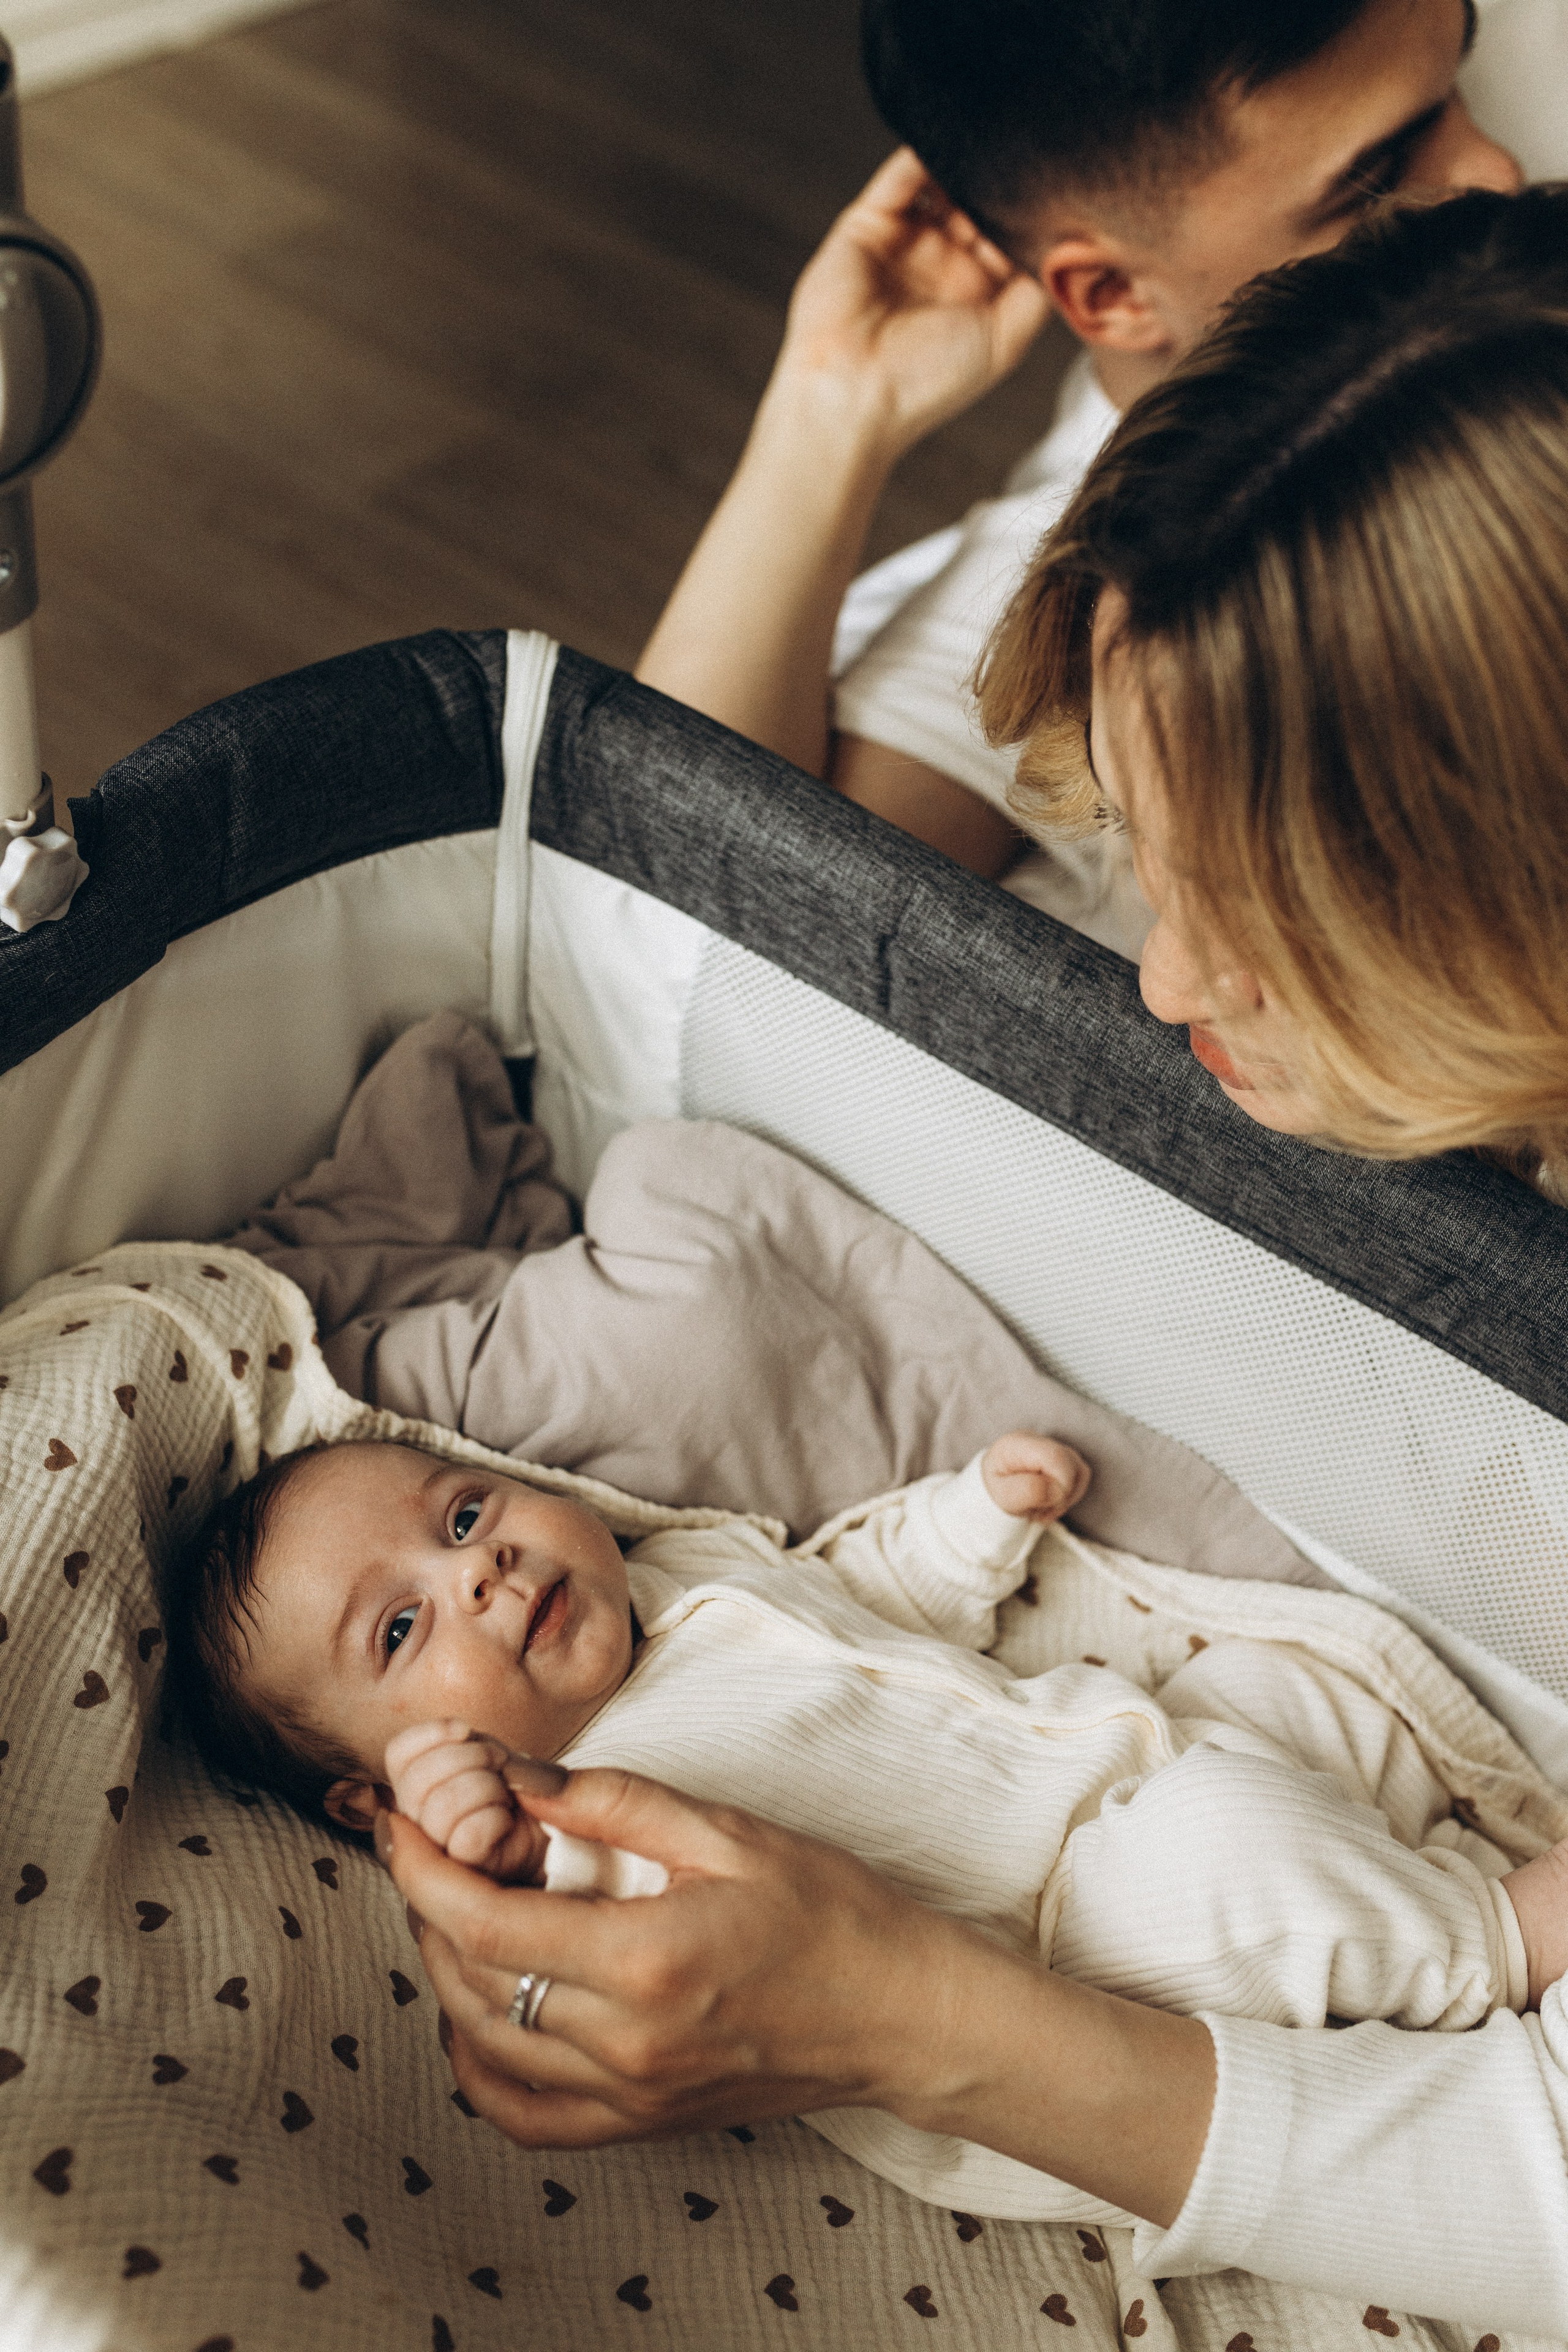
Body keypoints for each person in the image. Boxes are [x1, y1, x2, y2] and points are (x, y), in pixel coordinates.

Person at [378, 188, 1568, 2337]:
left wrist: (898, 2017)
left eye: (1264, 916)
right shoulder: (1246, 550)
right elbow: (675, 919)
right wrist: (833, 418)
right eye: (1144, 863)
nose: (1168, 977)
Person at [168, 1425, 1568, 2228]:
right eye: (402, 1626)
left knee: (1261, 1695)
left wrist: (970, 1524)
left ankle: (1411, 1899)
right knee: (1225, 1846)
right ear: (376, 1794)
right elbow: (598, 1935)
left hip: (1116, 1764)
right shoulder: (566, 1815)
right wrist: (482, 1833)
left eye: (463, 1513)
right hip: (1056, 1958)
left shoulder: (690, 1572)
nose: (478, 1571)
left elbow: (865, 1592)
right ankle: (1493, 1941)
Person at [636, 0, 1519, 956]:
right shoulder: (1108, 587)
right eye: (1376, 179)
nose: (1494, 171)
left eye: (1455, 82)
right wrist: (833, 407)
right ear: (1113, 295)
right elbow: (685, 905)